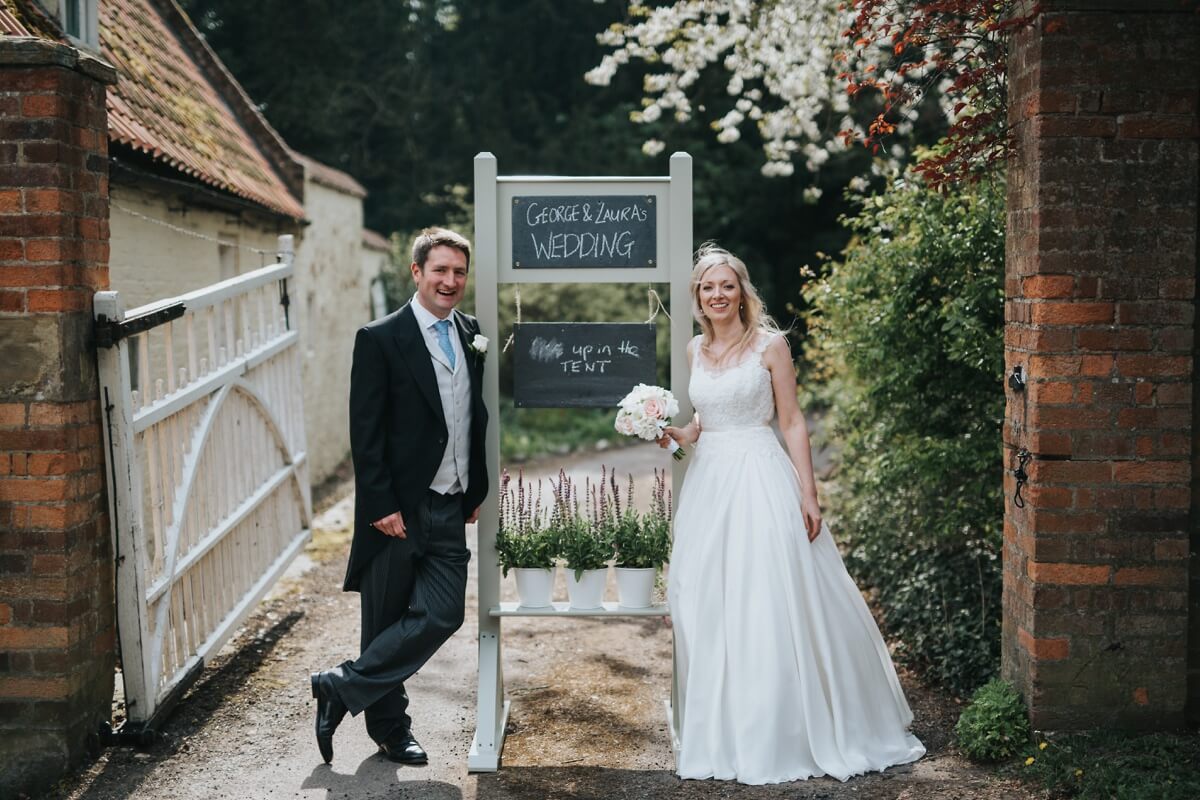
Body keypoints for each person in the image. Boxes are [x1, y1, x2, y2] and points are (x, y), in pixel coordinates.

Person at [659, 244, 924, 785]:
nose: (717, 295)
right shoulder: (693, 350)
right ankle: (724, 731)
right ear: (697, 296)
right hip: (710, 483)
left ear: (742, 291)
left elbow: (793, 421)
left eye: (727, 286)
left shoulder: (770, 345)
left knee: (767, 597)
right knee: (710, 599)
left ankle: (789, 728)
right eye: (708, 288)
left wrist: (809, 492)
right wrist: (677, 432)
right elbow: (704, 421)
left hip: (760, 476)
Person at [310, 228, 489, 766]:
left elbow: (467, 417)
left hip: (450, 504)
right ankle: (392, 731)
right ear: (417, 272)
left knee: (443, 613)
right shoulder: (381, 337)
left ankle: (340, 684)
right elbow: (365, 433)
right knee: (385, 622)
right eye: (440, 270)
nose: (450, 281)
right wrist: (381, 504)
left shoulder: (471, 332)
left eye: (458, 272)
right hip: (396, 510)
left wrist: (472, 483)